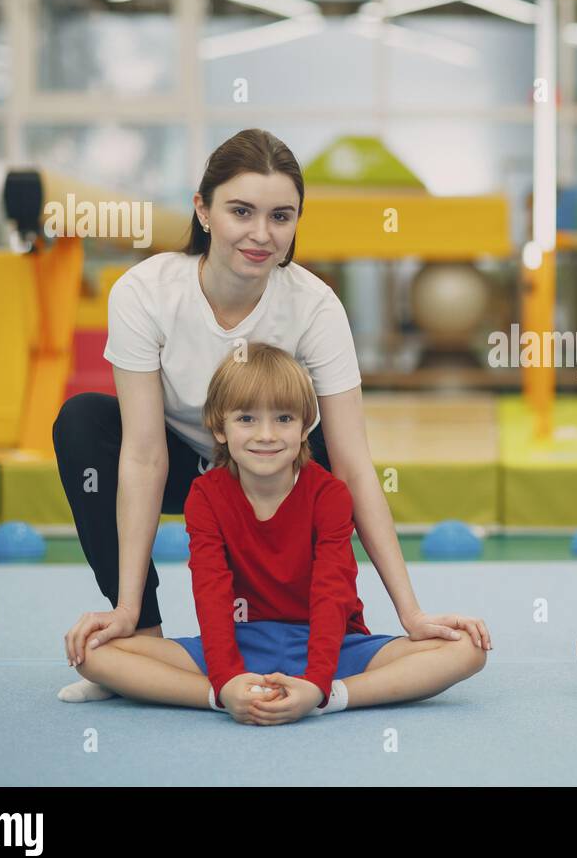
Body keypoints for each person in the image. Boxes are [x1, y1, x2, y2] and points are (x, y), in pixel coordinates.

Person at [55, 128, 490, 703]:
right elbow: (142, 453)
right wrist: (128, 605)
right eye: (242, 211)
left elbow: (354, 463)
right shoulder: (145, 293)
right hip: (188, 465)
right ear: (203, 210)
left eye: (281, 216)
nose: (262, 234)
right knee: (83, 422)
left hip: (281, 472)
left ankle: (324, 648)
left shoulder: (313, 305)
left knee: (331, 455)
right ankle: (142, 635)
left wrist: (411, 613)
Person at [75, 345, 485, 723]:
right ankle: (219, 696)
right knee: (91, 652)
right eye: (246, 418)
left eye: (283, 418)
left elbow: (331, 594)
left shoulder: (329, 494)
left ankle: (340, 697)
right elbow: (212, 593)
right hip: (239, 642)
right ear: (220, 429)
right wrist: (226, 681)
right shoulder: (204, 496)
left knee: (468, 650)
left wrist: (319, 687)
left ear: (306, 426)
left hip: (332, 646)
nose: (266, 435)